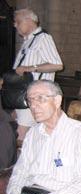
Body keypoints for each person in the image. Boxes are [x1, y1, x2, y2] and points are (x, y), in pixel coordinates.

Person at [12, 9, 63, 140]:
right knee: (24, 135)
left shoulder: (43, 38)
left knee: (21, 135)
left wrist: (29, 68)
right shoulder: (28, 41)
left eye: (18, 21)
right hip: (22, 95)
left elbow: (57, 65)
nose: (15, 25)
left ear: (29, 21)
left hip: (36, 96)